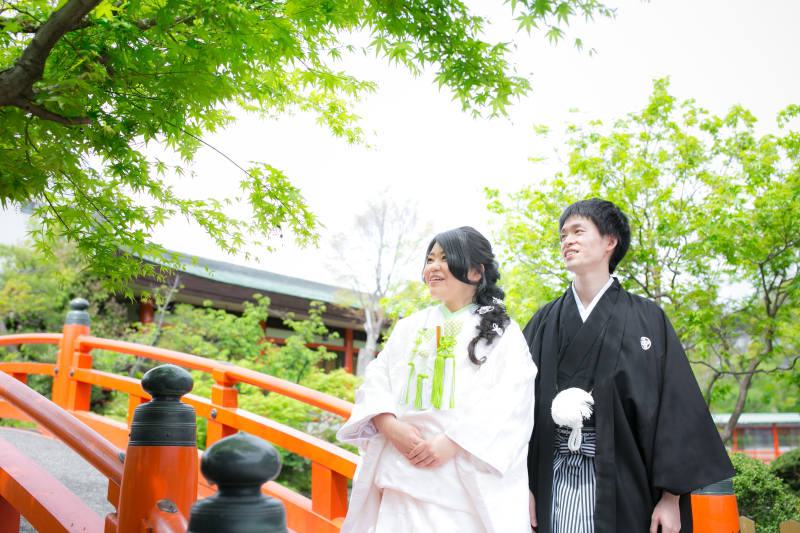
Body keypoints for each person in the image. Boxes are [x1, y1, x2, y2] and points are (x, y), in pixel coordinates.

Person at [524, 199, 735, 533]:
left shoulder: (648, 319)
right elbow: (515, 410)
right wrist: (524, 486)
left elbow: (675, 408)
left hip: (624, 482)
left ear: (610, 242)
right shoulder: (544, 321)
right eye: (563, 235)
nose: (567, 241)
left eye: (579, 231)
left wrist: (671, 498)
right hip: (549, 481)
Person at [337, 226, 538, 533]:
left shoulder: (502, 332)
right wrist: (389, 426)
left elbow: (512, 400)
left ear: (474, 271)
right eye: (430, 259)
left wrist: (452, 442)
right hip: (400, 478)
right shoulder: (410, 326)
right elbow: (376, 379)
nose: (433, 267)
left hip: (459, 486)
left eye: (445, 258)